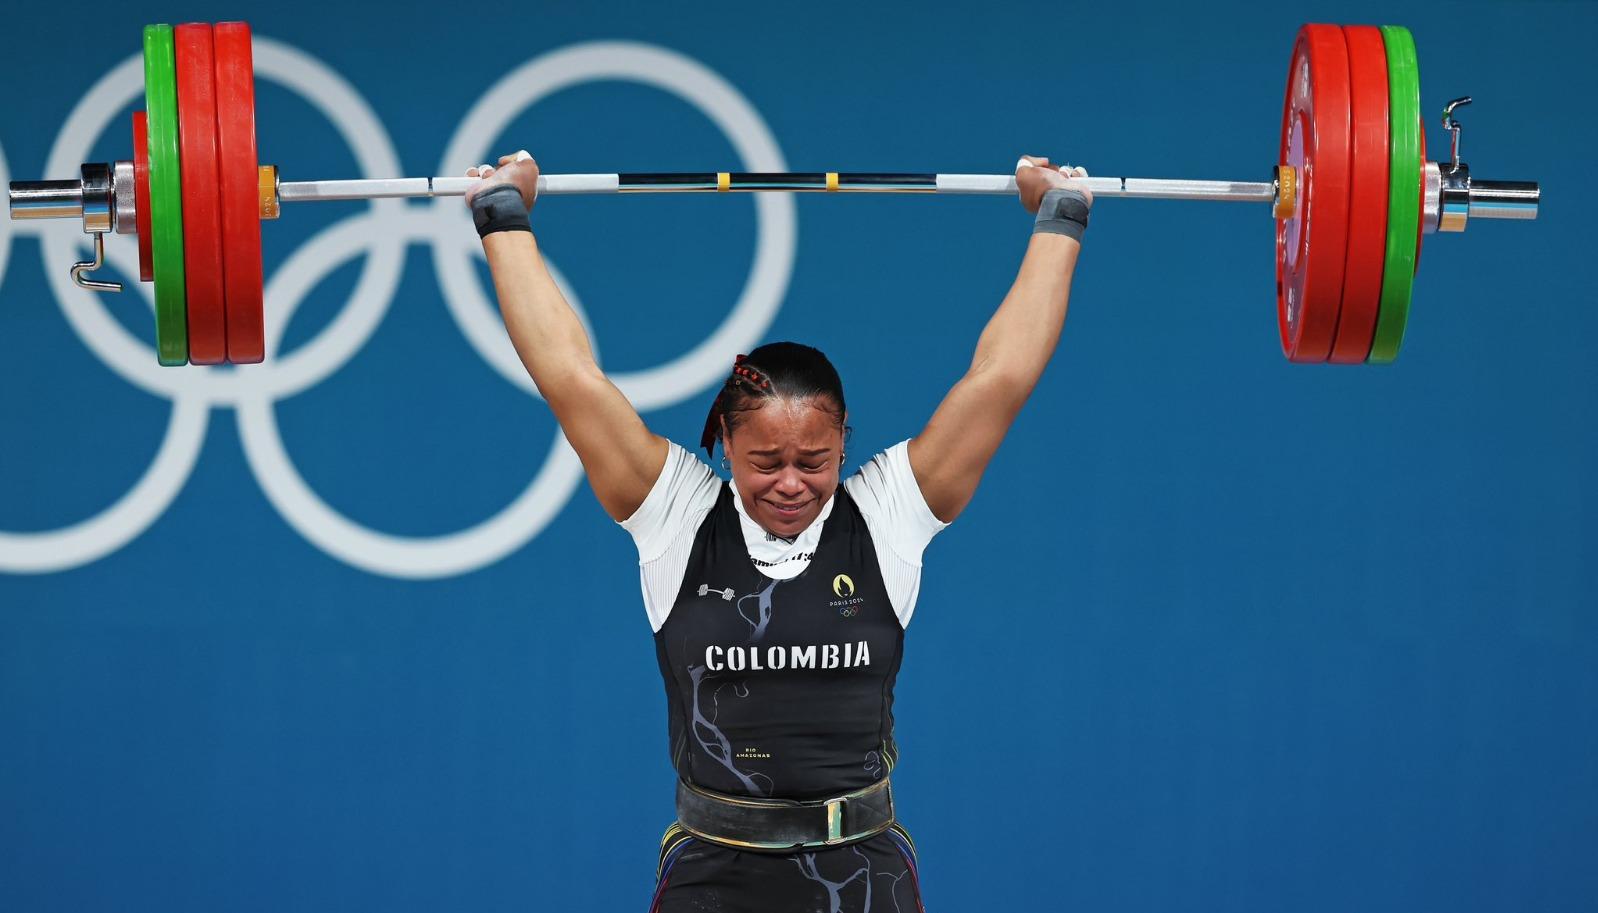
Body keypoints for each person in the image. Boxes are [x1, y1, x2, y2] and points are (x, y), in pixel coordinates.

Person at [464, 151, 1092, 913]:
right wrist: (503, 215)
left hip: (863, 876)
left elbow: (1000, 377)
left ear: (845, 446)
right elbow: (569, 376)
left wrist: (1059, 217)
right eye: (765, 461)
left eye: (814, 460)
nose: (791, 482)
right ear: (724, 445)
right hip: (713, 875)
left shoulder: (888, 513)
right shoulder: (677, 513)